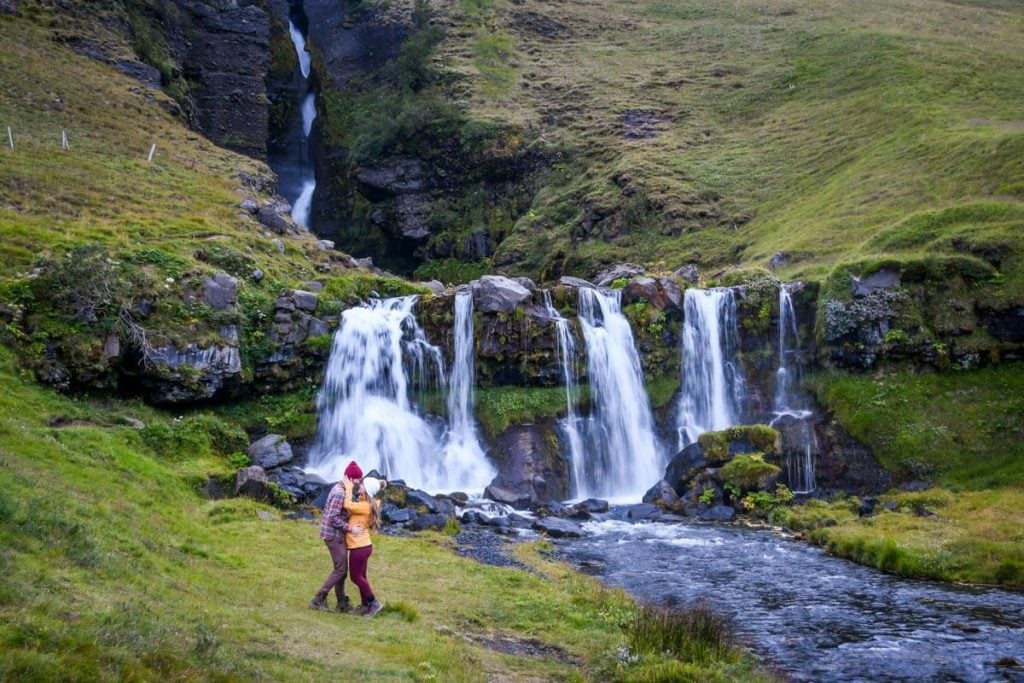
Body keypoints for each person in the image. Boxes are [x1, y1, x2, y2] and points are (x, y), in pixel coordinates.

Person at [310, 460, 365, 612]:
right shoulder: (340, 493)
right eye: (358, 479)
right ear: (351, 478)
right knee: (340, 569)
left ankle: (342, 603)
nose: (359, 481)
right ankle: (318, 599)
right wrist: (350, 528)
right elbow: (333, 518)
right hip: (333, 535)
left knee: (342, 569)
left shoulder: (340, 488)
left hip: (336, 535)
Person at [343, 473, 386, 617]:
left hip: (359, 547)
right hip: (363, 546)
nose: (359, 485)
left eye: (361, 485)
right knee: (362, 576)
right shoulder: (364, 503)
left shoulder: (365, 506)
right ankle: (365, 605)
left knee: (356, 577)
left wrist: (348, 488)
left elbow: (347, 505)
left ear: (366, 490)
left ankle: (374, 603)